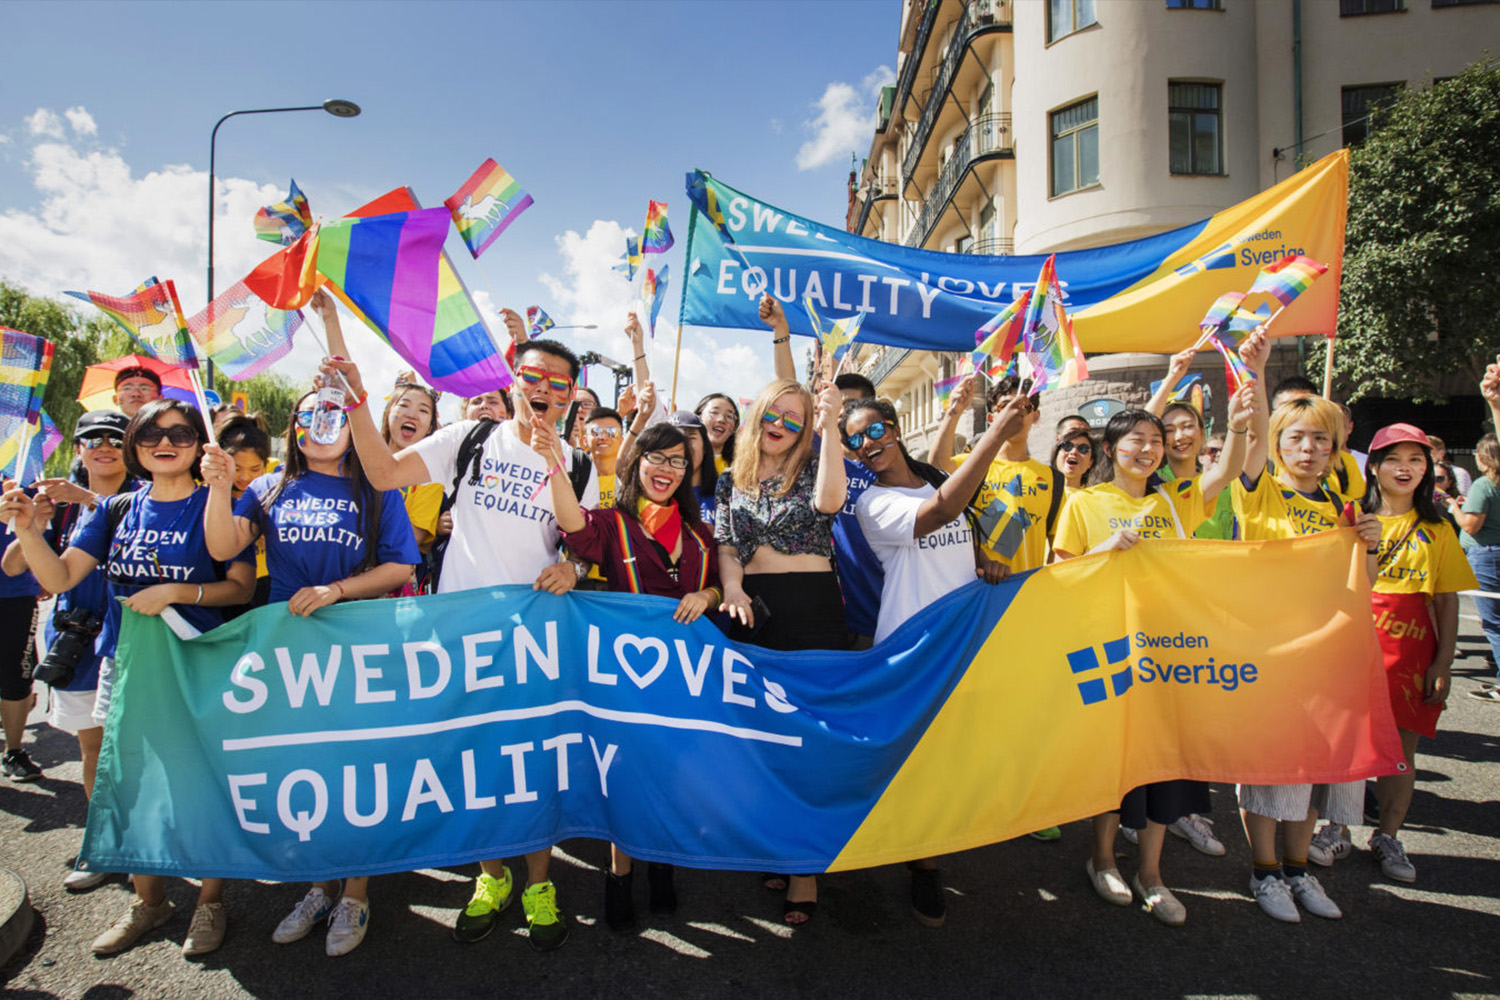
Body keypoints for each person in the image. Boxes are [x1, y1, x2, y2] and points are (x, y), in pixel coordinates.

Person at [314, 288, 596, 952]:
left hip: (535, 641)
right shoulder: (468, 437)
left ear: (571, 395)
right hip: (461, 637)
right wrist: (357, 400)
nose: (543, 390)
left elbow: (581, 534)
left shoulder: (577, 462)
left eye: (558, 384)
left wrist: (575, 565)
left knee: (533, 765)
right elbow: (382, 473)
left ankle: (538, 884)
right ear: (511, 378)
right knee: (479, 764)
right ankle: (489, 877)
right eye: (530, 377)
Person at [0, 399, 256, 957]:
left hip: (199, 664)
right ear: (136, 444)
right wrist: (29, 531)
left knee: (202, 785)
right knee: (133, 786)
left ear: (198, 443)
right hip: (125, 665)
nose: (166, 442)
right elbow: (62, 575)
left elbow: (238, 586)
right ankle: (150, 902)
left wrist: (178, 592)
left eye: (182, 433)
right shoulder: (116, 510)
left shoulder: (223, 503)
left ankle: (210, 902)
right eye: (151, 433)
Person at [201, 387, 420, 956]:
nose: (322, 425)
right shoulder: (271, 486)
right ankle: (319, 885)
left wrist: (337, 590)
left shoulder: (375, 487)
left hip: (357, 645)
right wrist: (222, 488)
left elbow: (401, 564)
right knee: (308, 767)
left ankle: (356, 892)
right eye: (309, 415)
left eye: (334, 415)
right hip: (289, 650)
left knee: (357, 767)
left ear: (352, 425)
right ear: (293, 427)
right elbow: (225, 545)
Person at [1052, 388, 1252, 927]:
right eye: (1136, 440)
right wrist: (1103, 551)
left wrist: (1235, 424)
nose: (1148, 449)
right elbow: (1059, 573)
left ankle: (1153, 873)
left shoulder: (1174, 499)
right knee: (1114, 759)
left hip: (1168, 652)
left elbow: (1229, 470)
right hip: (1110, 650)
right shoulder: (1083, 504)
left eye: (1156, 441)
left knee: (1163, 761)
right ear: (1111, 448)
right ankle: (1101, 858)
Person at [845, 393, 1024, 927]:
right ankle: (919, 861)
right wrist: (994, 434)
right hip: (912, 645)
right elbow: (941, 512)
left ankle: (928, 845)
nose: (866, 446)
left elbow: (992, 534)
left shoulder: (942, 478)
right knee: (912, 758)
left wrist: (987, 562)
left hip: (964, 637)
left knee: (949, 753)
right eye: (854, 441)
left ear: (895, 429)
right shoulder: (871, 503)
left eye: (873, 432)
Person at [541, 419, 720, 932]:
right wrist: (556, 459)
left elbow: (722, 589)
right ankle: (619, 873)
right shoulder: (612, 523)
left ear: (688, 472)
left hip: (683, 680)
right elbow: (572, 526)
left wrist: (706, 595)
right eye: (657, 458)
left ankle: (660, 863)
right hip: (624, 680)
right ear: (637, 460)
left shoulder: (701, 534)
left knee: (671, 775)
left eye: (678, 461)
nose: (666, 469)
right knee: (625, 777)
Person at [1228, 335, 1380, 919]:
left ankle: (1298, 871)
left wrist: (1369, 545)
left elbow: (1362, 581)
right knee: (1272, 767)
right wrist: (1258, 370)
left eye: (1322, 438)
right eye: (1297, 438)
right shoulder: (1260, 491)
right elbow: (1253, 444)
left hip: (1330, 656)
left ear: (1337, 448)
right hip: (1273, 652)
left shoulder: (1345, 506)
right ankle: (1263, 873)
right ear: (1279, 445)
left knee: (1317, 771)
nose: (1310, 449)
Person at [715, 376, 847, 925]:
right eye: (776, 414)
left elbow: (831, 502)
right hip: (753, 609)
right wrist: (732, 587)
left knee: (808, 739)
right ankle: (779, 845)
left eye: (796, 420)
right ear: (759, 414)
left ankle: (805, 869)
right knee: (762, 735)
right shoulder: (731, 480)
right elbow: (726, 543)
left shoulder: (816, 465)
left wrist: (832, 425)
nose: (782, 427)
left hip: (812, 609)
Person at [3, 411, 137, 887]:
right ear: (77, 448)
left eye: (116, 439)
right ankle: (104, 842)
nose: (104, 446)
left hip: (131, 637)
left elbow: (135, 523)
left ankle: (151, 844)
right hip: (77, 639)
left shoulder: (147, 494)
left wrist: (89, 499)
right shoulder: (57, 504)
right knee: (92, 746)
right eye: (92, 439)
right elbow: (17, 566)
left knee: (140, 748)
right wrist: (30, 526)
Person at [1354, 423, 1476, 884]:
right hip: (1355, 646)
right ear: (1375, 467)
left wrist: (1443, 662)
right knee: (1349, 742)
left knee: (1401, 750)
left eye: (1416, 460)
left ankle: (1388, 834)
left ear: (1428, 469)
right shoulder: (1350, 517)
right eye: (1394, 459)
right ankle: (1335, 826)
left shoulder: (1438, 528)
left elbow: (1447, 598)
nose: (1405, 469)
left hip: (1411, 651)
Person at [1457, 433, 1500, 702]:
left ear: (1483, 458)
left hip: (1486, 555)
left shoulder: (1484, 485)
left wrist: (1454, 509)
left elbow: (1471, 525)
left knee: (1494, 625)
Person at [695, 393, 740, 474]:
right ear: (698, 417)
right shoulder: (684, 460)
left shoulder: (738, 469)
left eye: (729, 416)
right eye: (714, 412)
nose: (721, 420)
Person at [1051, 427, 1096, 492]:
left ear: (1090, 462)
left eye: (1083, 449)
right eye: (1067, 446)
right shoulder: (1040, 492)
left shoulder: (1095, 498)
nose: (1074, 452)